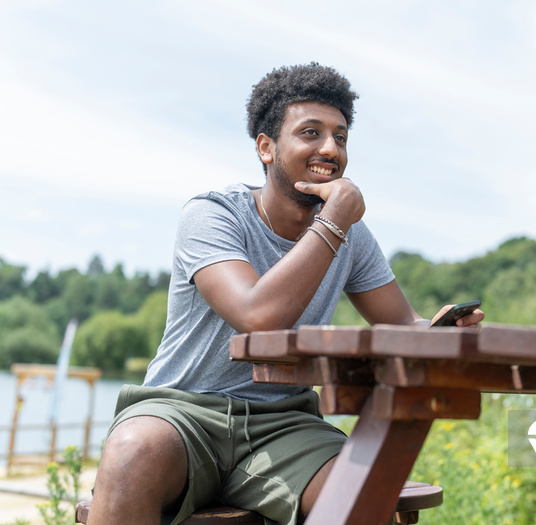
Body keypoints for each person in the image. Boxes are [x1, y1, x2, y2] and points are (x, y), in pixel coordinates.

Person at [87, 63, 484, 525]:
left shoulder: (351, 238)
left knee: (365, 494)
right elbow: (257, 317)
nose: (330, 149)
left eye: (341, 136)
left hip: (285, 423)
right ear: (266, 147)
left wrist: (440, 329)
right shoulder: (213, 215)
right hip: (181, 413)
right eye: (311, 133)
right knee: (133, 453)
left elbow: (401, 324)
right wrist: (334, 220)